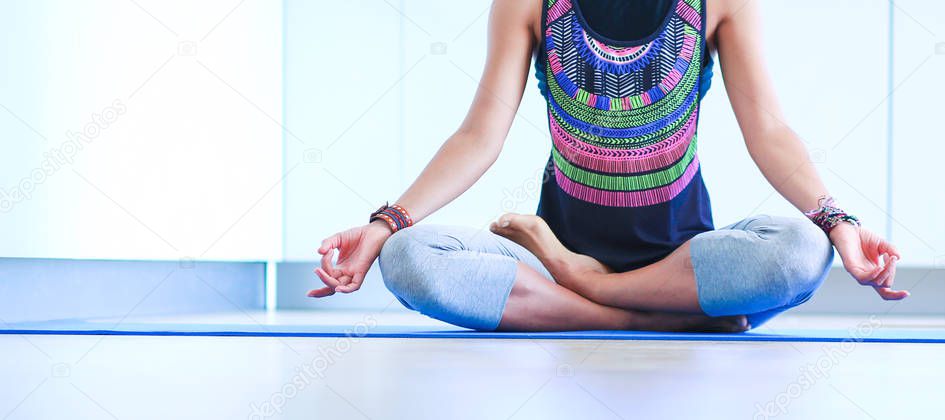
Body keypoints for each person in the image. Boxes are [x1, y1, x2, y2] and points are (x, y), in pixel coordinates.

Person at [310, 0, 907, 332]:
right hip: (548, 260)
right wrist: (387, 223)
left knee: (801, 251)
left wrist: (837, 223)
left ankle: (592, 290)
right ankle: (653, 318)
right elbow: (478, 136)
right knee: (410, 259)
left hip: (680, 264)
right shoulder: (528, 3)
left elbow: (770, 131)